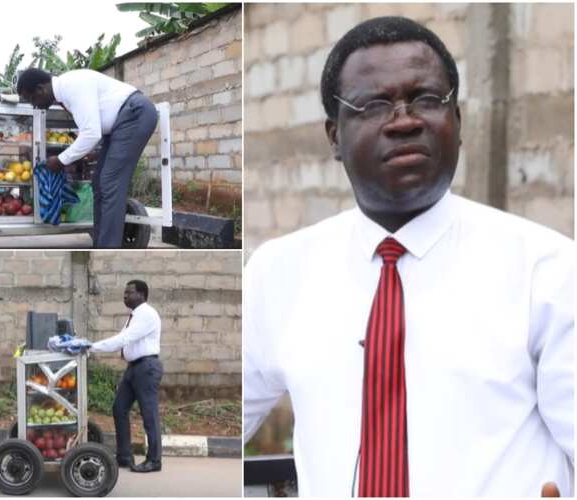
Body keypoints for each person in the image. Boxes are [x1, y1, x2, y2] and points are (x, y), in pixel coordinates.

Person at [243, 16, 573, 497]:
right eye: (375, 104)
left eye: (426, 99)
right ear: (334, 136)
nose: (405, 120)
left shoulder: (548, 271)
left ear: (456, 122)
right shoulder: (277, 273)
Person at [16, 68, 157, 248]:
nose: (34, 105)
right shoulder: (65, 91)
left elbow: (91, 133)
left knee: (109, 184)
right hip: (119, 124)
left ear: (40, 89)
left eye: (32, 99)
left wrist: (60, 160)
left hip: (134, 114)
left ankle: (108, 253)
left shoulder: (71, 86)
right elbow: (93, 128)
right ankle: (101, 244)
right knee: (99, 182)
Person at [90, 280, 163, 473]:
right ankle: (124, 456)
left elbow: (124, 339)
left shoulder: (146, 314)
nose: (125, 296)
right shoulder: (134, 316)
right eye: (124, 292)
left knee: (149, 415)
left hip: (146, 368)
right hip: (134, 368)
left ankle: (154, 461)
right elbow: (121, 337)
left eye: (129, 293)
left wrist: (91, 347)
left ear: (141, 294)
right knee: (119, 408)